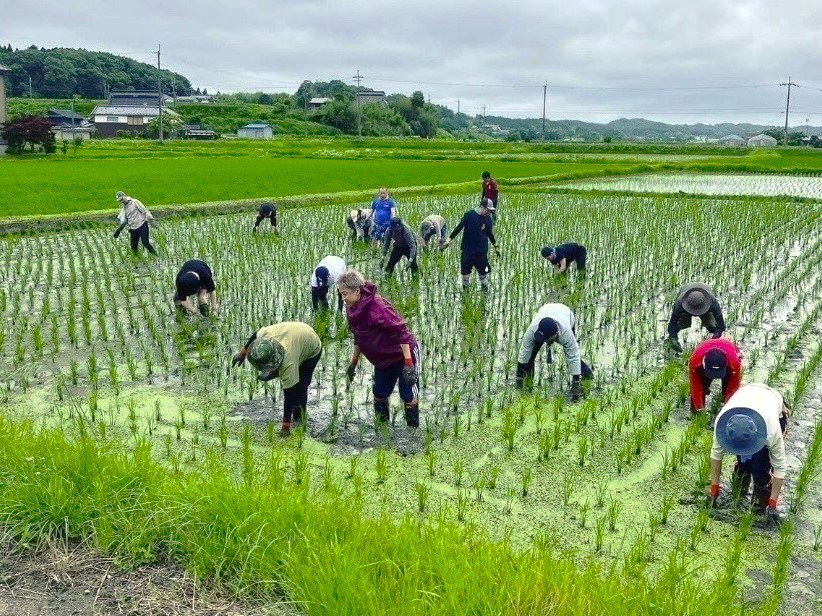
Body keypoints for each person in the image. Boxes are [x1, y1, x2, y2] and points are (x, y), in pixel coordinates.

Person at [338, 270, 420, 428]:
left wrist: (409, 364)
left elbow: (401, 332)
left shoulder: (378, 306)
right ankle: (382, 432)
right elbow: (358, 337)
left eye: (345, 294)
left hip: (403, 354)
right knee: (379, 394)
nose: (343, 298)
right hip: (383, 360)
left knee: (408, 394)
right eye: (341, 294)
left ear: (357, 291)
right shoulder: (351, 309)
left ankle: (413, 434)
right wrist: (353, 363)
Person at [709, 383, 790, 523]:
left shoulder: (771, 431)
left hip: (771, 404)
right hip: (746, 397)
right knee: (744, 463)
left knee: (761, 469)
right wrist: (714, 490)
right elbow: (716, 455)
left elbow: (780, 466)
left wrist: (773, 504)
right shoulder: (723, 424)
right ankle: (740, 489)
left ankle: (760, 502)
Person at [231, 322, 322, 436]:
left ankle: (300, 416)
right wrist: (242, 353)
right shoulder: (265, 336)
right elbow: (255, 335)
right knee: (291, 376)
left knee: (301, 386)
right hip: (294, 334)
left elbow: (288, 396)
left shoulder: (288, 362)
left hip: (311, 345)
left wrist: (286, 427)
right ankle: (276, 372)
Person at [516, 303, 593, 400]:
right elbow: (524, 353)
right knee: (530, 356)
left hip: (565, 313)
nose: (544, 341)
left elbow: (573, 355)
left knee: (570, 356)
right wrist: (519, 379)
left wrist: (576, 384)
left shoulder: (566, 333)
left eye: (546, 339)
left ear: (555, 334)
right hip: (545, 310)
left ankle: (588, 376)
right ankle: (528, 383)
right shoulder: (532, 330)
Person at [443, 198, 498, 291]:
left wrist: (496, 246)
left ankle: (485, 297)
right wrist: (449, 239)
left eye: (490, 211)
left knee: (483, 275)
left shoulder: (488, 218)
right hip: (468, 251)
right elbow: (459, 227)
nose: (489, 213)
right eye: (488, 210)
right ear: (482, 207)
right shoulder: (469, 215)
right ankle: (465, 298)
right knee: (465, 276)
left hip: (481, 252)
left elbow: (490, 234)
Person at [666, 283, 725, 353]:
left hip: (706, 306)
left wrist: (715, 337)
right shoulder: (679, 303)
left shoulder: (712, 302)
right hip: (685, 300)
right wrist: (673, 338)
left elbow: (721, 325)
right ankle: (671, 343)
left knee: (711, 325)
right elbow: (673, 323)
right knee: (682, 323)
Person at [689, 337, 743, 413]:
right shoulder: (695, 362)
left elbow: (733, 387)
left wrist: (727, 410)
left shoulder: (734, 363)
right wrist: (699, 409)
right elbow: (696, 387)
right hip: (702, 353)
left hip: (729, 357)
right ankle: (696, 414)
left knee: (729, 395)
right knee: (701, 391)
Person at [113, 191, 158, 255]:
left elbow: (145, 211)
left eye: (122, 199)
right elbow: (125, 221)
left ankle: (155, 256)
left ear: (125, 196)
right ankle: (137, 260)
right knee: (133, 247)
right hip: (133, 229)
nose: (121, 201)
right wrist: (118, 230)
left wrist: (151, 220)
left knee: (145, 243)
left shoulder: (135, 202)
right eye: (120, 201)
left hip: (142, 225)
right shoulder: (124, 209)